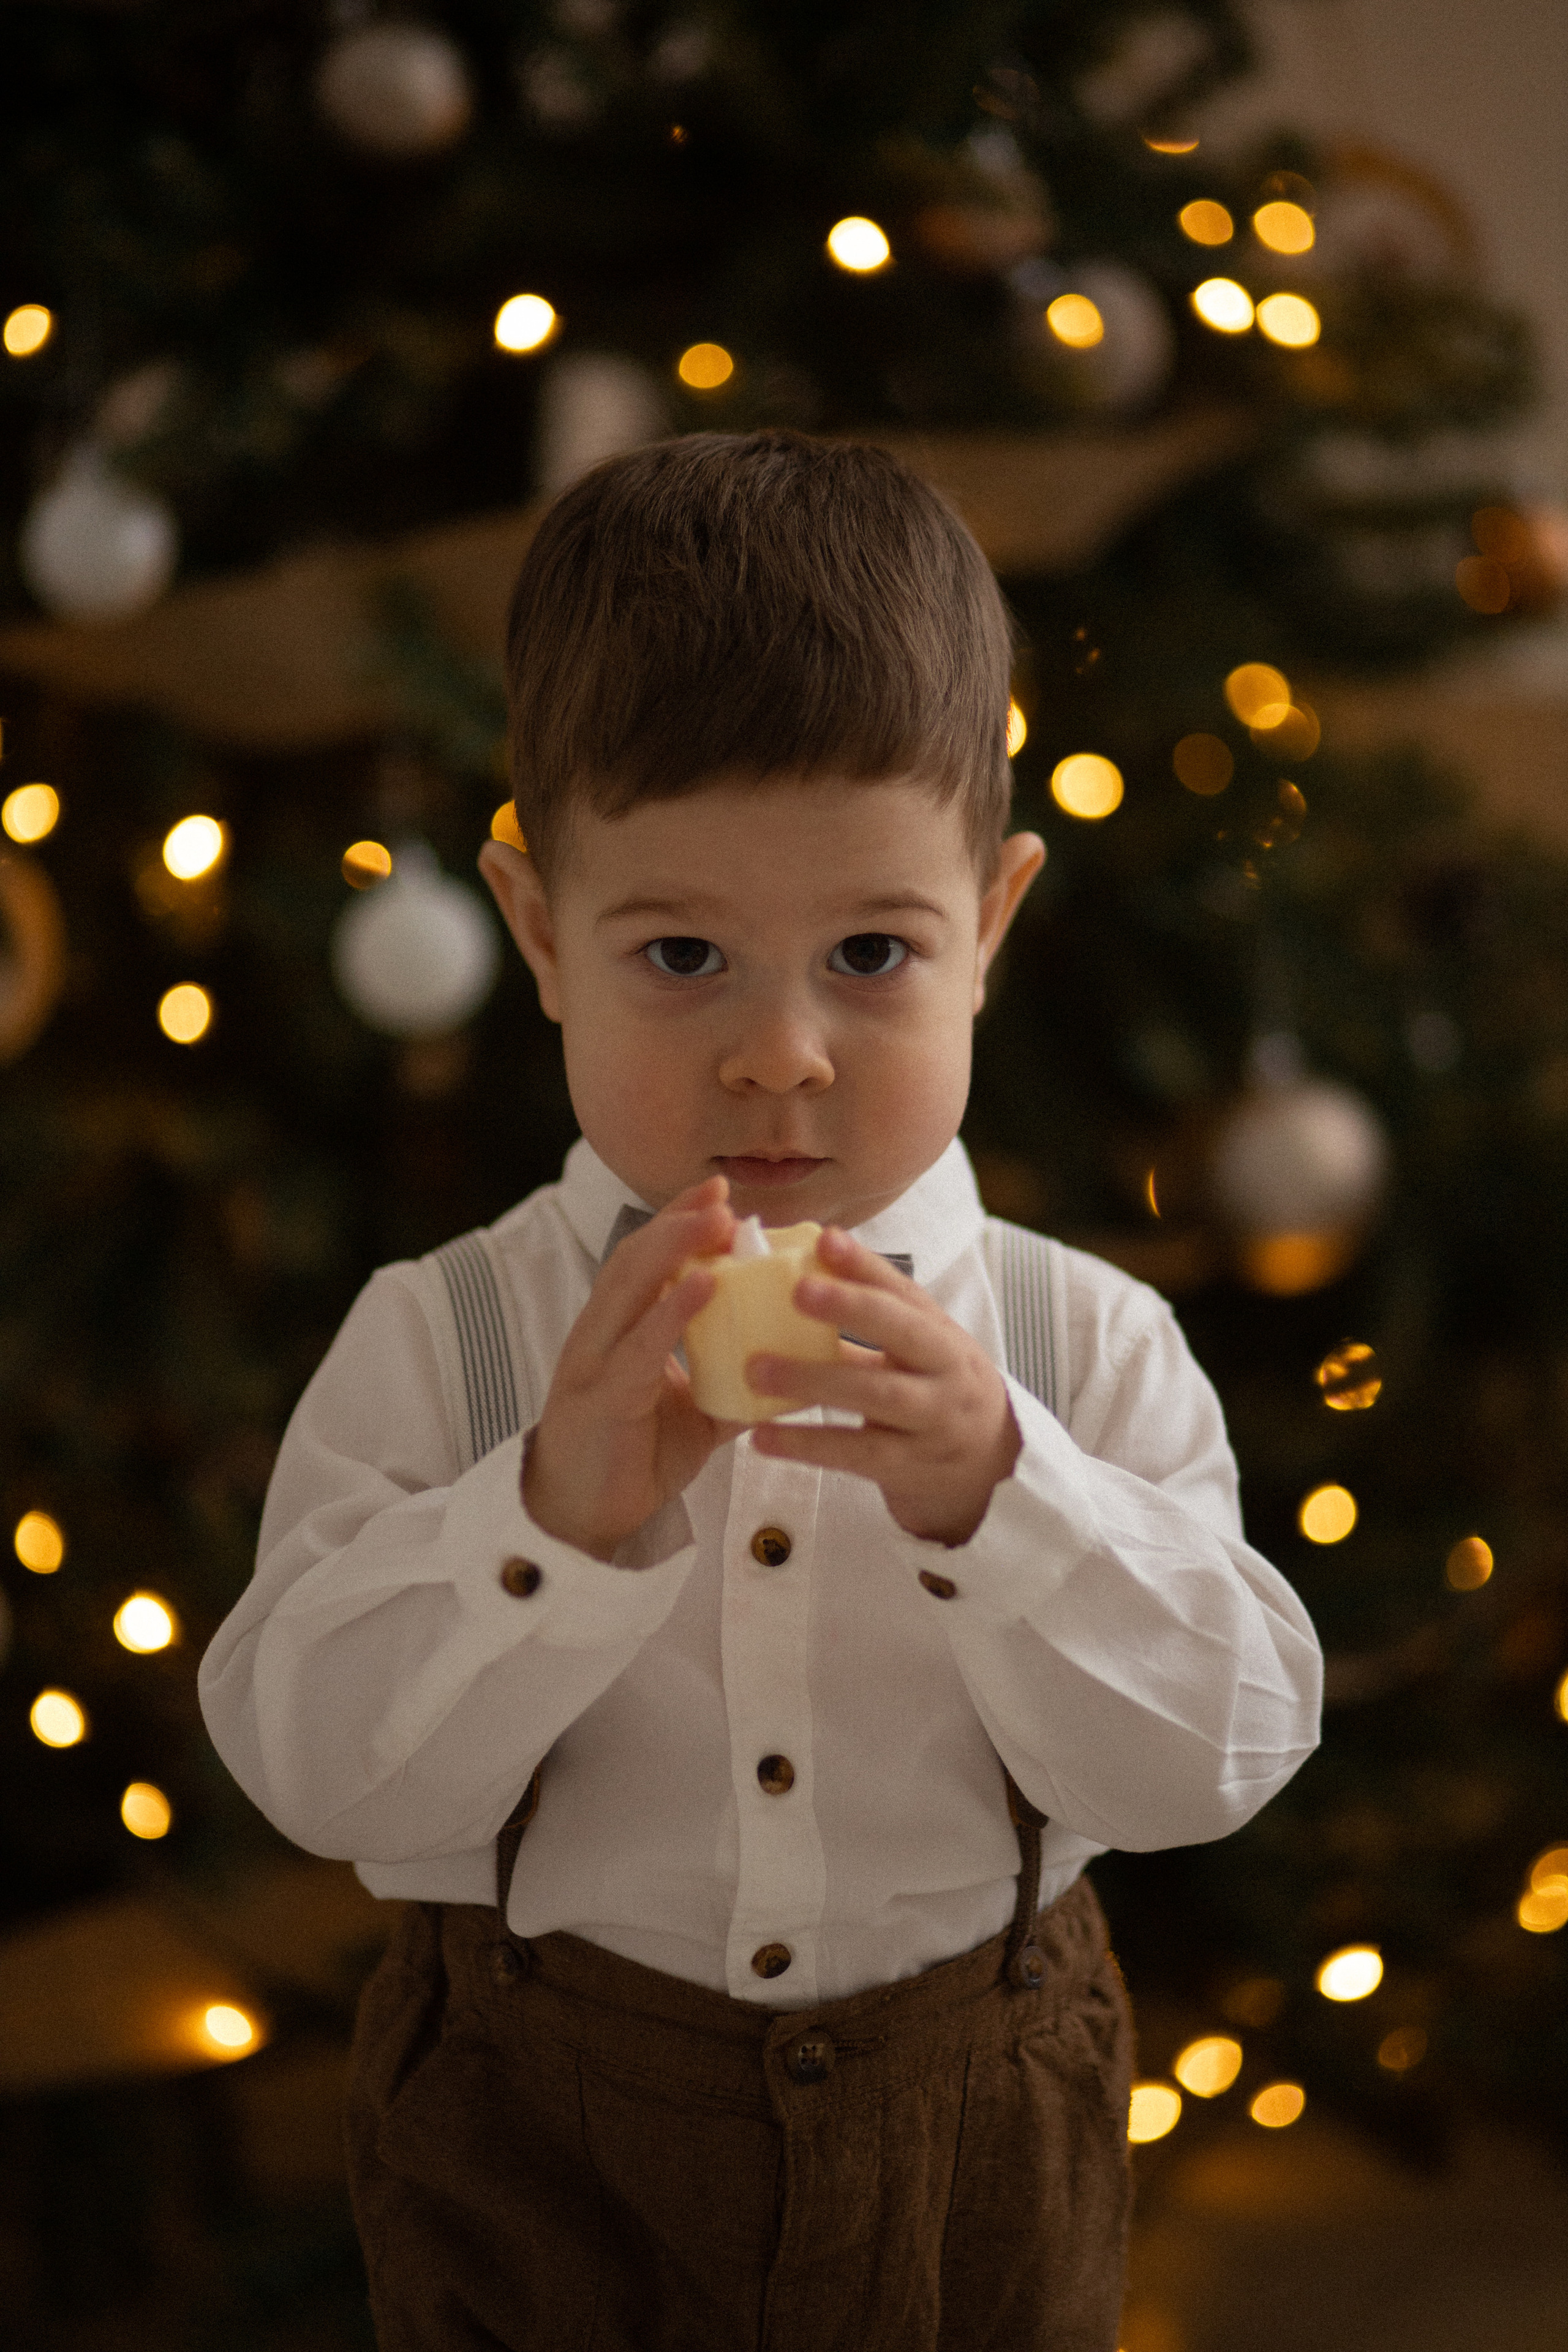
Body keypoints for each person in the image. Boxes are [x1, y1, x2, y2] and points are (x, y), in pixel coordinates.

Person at [199, 430, 1322, 2352]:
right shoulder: (450, 1337)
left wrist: (1006, 1494)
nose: (781, 1057)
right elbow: (315, 1772)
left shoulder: (1086, 1345)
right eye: (684, 953)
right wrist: (547, 1519)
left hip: (974, 2137)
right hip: (536, 2148)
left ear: (997, 932)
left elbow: (1218, 1761)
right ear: (544, 937)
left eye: (875, 952)